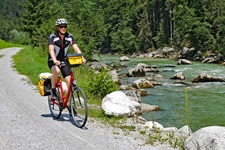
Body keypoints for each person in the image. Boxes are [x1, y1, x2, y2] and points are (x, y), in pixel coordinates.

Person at [48, 18, 86, 99]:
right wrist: (55, 60)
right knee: (57, 71)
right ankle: (53, 89)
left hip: (64, 60)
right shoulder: (53, 37)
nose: (63, 28)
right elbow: (51, 50)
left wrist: (82, 57)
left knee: (69, 81)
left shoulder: (70, 37)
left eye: (65, 26)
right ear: (57, 28)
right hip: (53, 60)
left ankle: (69, 103)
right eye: (61, 26)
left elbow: (76, 48)